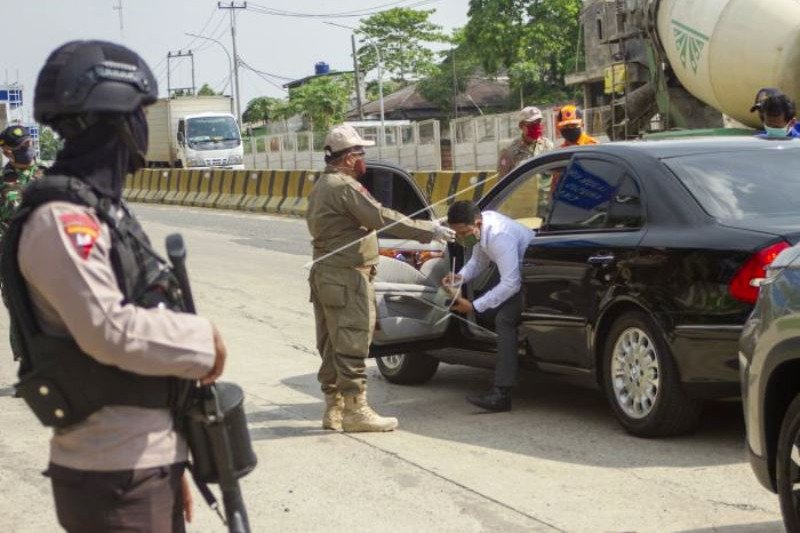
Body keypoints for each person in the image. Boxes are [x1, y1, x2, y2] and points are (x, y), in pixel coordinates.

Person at [4, 40, 227, 532]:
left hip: (138, 462)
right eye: (140, 113)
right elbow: (108, 329)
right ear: (116, 119)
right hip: (114, 474)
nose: (143, 128)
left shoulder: (99, 210)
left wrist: (171, 456)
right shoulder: (61, 220)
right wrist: (202, 340)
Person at [307, 124, 454, 433]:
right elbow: (381, 216)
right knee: (353, 341)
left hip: (327, 274)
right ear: (348, 158)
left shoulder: (323, 185)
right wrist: (430, 230)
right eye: (361, 153)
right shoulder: (345, 187)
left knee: (333, 342)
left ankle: (334, 408)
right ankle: (356, 410)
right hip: (347, 276)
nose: (364, 160)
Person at [442, 201, 535, 412]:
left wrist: (473, 306)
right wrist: (459, 278)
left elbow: (512, 284)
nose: (462, 238)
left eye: (464, 232)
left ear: (476, 223)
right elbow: (478, 262)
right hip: (516, 274)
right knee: (492, 309)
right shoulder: (482, 229)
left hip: (531, 278)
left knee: (504, 320)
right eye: (457, 234)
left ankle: (502, 393)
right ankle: (509, 363)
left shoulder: (498, 235)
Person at [497, 106, 554, 177]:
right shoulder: (508, 151)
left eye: (538, 122)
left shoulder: (548, 146)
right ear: (521, 126)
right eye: (531, 123)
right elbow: (502, 180)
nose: (536, 126)